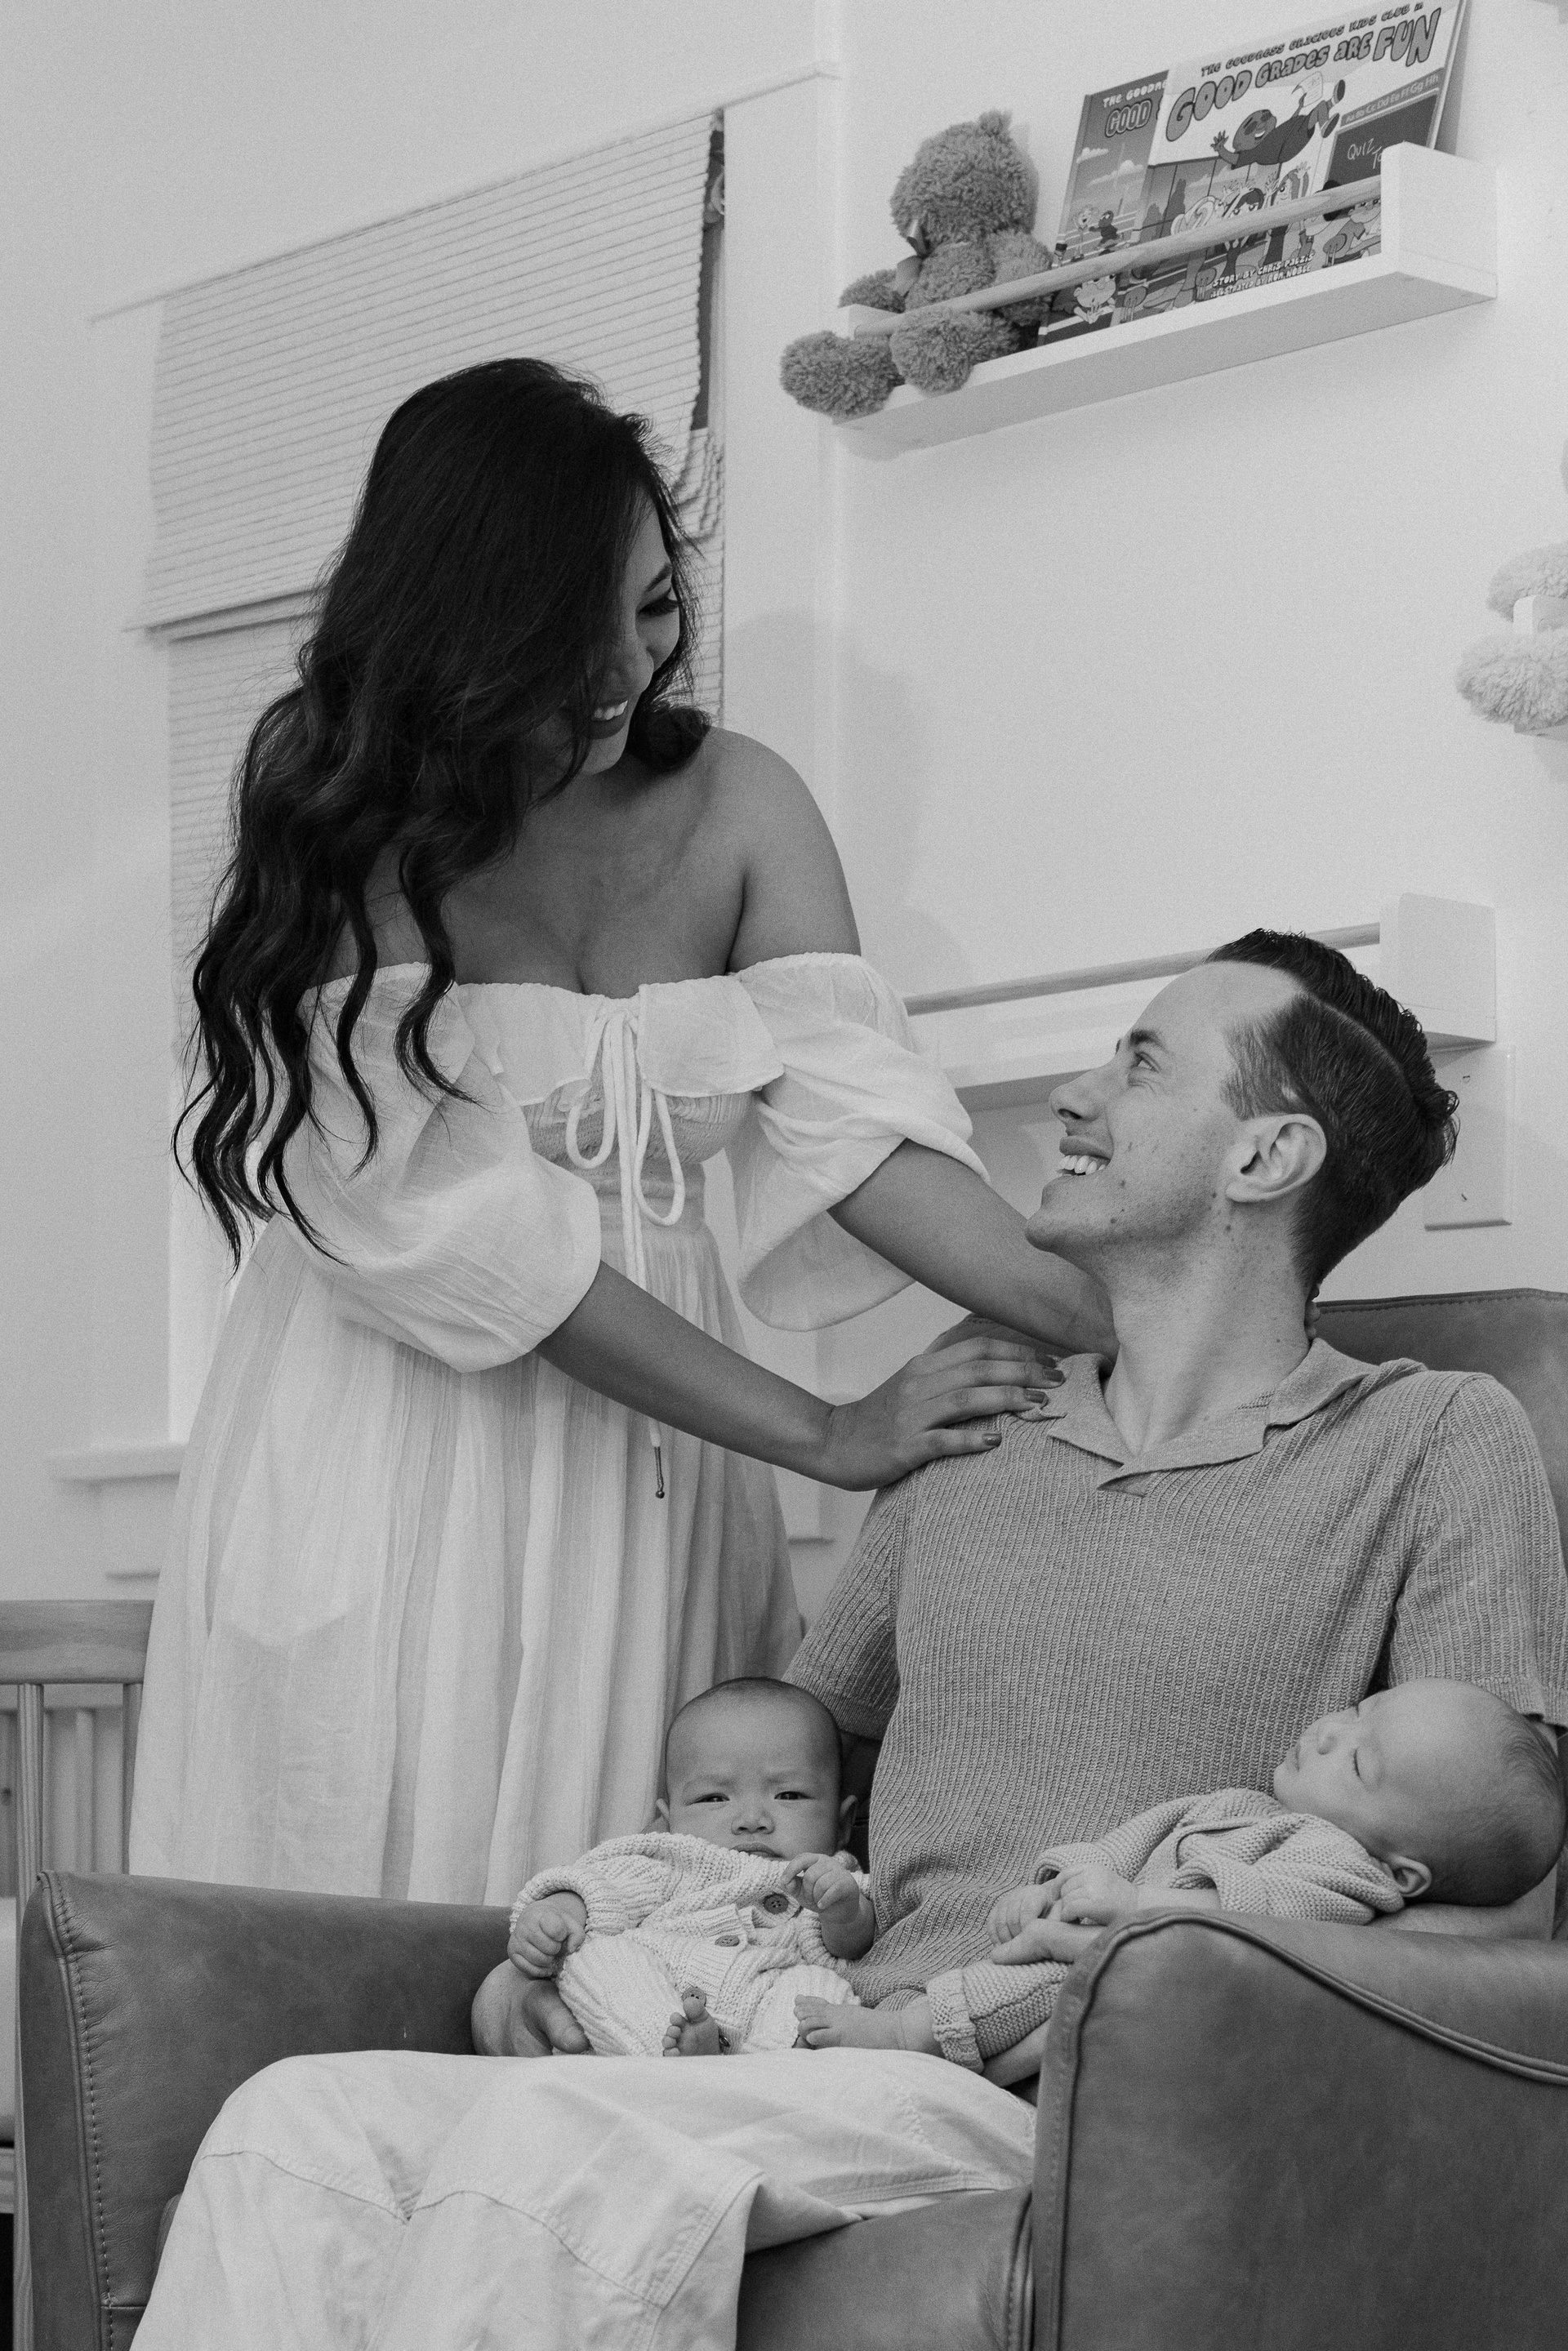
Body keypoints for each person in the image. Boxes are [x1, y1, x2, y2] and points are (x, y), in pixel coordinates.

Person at [139, 932, 1568, 2351]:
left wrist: (1167, 1966)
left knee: (553, 2153)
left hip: (1062, 2076)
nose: (1072, 1097)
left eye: (1139, 1064)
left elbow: (1492, 1895)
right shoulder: (976, 1427)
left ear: (1267, 1155)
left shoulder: (1432, 1435)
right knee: (298, 2120)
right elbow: (771, 1780)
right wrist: (592, 1951)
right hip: (821, 2026)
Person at [129, 358, 1111, 1906]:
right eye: (568, 631)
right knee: (388, 1887)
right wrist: (825, 1430)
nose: (623, 669)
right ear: (457, 626)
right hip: (393, 1445)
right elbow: (477, 1244)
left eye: (653, 608)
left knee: (670, 1927)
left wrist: (1128, 1314)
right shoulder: (343, 825)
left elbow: (865, 1132)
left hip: (664, 1459)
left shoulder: (738, 801)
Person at [792, 1678, 1568, 2065]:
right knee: (1012, 1968)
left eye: (1361, 1763)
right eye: (1360, 1710)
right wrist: (1056, 1879)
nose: (1331, 1733)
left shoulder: (1343, 1870)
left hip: (1139, 1965)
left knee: (1018, 1988)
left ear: (1406, 1875)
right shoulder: (1240, 1805)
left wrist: (1137, 1904)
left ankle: (903, 2034)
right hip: (1097, 1925)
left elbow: (1263, 1916)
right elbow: (1131, 1840)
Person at [474, 1677, 872, 2059]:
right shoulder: (671, 1863)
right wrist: (553, 1917)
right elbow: (598, 1889)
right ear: (669, 1821)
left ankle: (764, 2069)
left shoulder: (829, 1880)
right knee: (601, 1958)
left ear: (841, 1824)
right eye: (714, 1798)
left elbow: (849, 1947)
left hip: (764, 2005)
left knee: (821, 1991)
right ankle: (664, 2051)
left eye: (789, 1795)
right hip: (657, 1993)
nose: (752, 1819)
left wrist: (843, 1911)